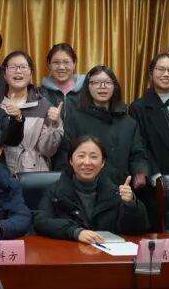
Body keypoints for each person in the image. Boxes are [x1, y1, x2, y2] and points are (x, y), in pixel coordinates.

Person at [34, 136, 149, 243]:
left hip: (106, 253)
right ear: (71, 160)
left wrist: (131, 204)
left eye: (94, 157)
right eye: (81, 156)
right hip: (69, 252)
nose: (87, 162)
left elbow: (137, 230)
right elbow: (41, 222)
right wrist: (75, 232)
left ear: (103, 162)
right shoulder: (55, 191)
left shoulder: (115, 192)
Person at [57, 65, 151, 195]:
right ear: (88, 87)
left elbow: (138, 155)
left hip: (120, 191)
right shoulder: (75, 120)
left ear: (114, 87)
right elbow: (64, 156)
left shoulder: (128, 122)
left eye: (107, 82)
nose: (102, 86)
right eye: (96, 82)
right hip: (84, 191)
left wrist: (140, 172)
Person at [0, 51, 63, 174]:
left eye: (23, 67)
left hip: (34, 174)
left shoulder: (44, 106)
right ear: (4, 75)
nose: (18, 71)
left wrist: (55, 125)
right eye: (13, 67)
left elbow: (48, 151)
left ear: (31, 75)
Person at [39, 43, 86, 113]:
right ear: (49, 64)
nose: (61, 67)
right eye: (56, 62)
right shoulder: (40, 93)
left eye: (66, 62)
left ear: (74, 64)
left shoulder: (86, 90)